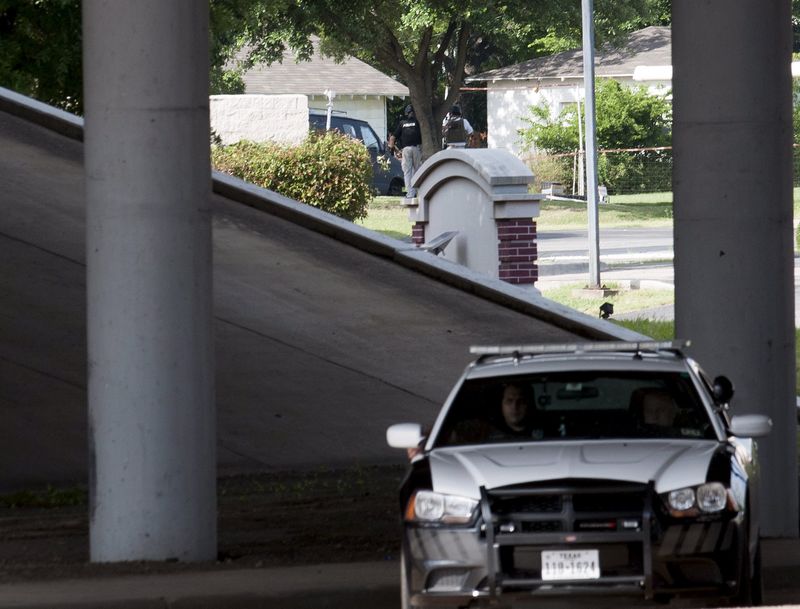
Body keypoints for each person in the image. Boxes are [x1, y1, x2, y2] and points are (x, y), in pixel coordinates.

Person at [387, 105, 423, 199]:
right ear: (414, 113)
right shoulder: (418, 122)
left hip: (406, 150)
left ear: (406, 113)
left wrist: (391, 150)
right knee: (417, 171)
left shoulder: (402, 123)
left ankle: (410, 194)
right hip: (416, 148)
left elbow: (393, 138)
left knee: (407, 172)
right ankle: (419, 193)